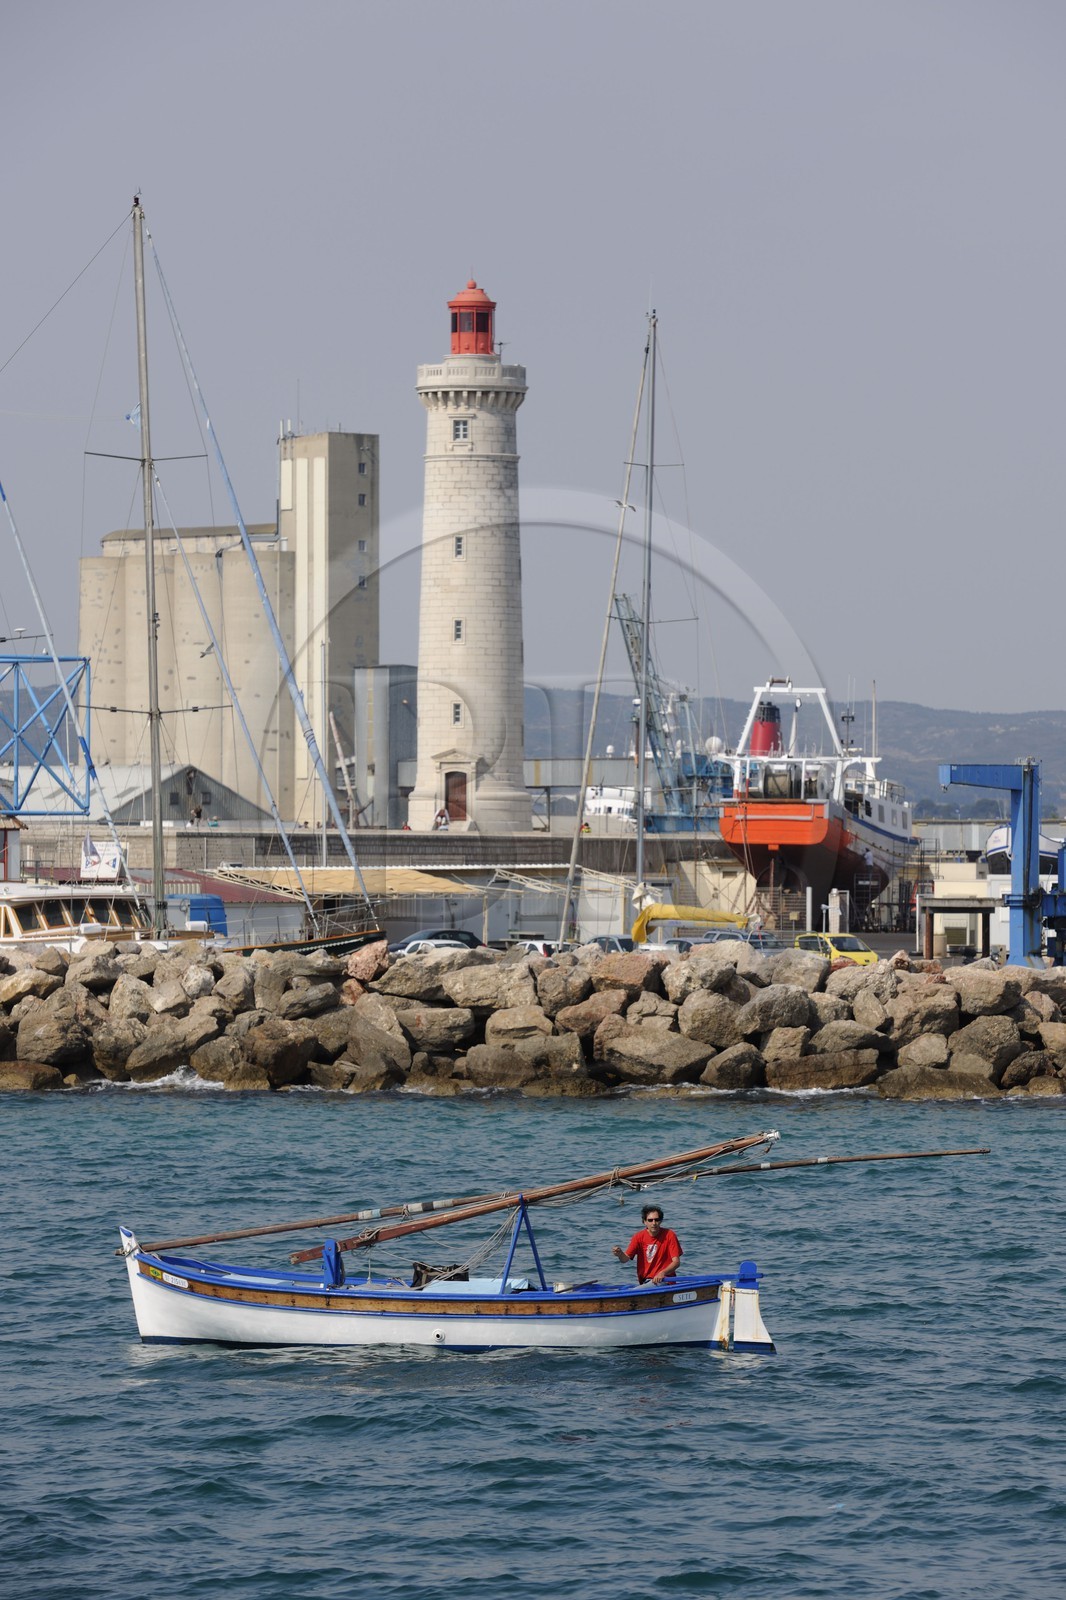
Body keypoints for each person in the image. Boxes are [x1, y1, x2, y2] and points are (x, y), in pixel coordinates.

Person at [612, 1204, 682, 1285]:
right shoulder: (638, 1237)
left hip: (665, 1280)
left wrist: (663, 1273)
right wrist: (620, 1254)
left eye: (657, 1220)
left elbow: (676, 1262)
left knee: (635, 1293)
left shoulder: (669, 1235)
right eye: (650, 1220)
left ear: (661, 1221)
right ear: (644, 1222)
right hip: (646, 1281)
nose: (654, 1223)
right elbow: (625, 1259)